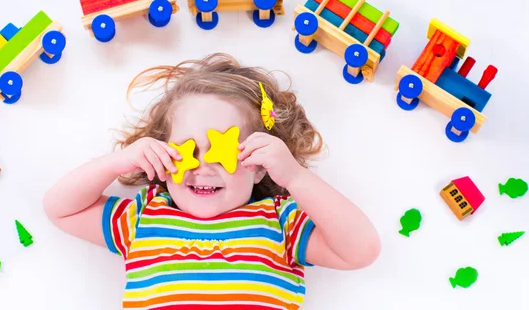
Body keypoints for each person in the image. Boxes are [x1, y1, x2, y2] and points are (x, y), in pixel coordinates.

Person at [43, 53, 380, 309]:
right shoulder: (143, 218)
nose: (202, 167)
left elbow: (361, 251)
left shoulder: (280, 222)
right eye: (186, 150)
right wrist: (118, 162)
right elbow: (60, 209)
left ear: (259, 166)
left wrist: (294, 176)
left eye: (222, 151)